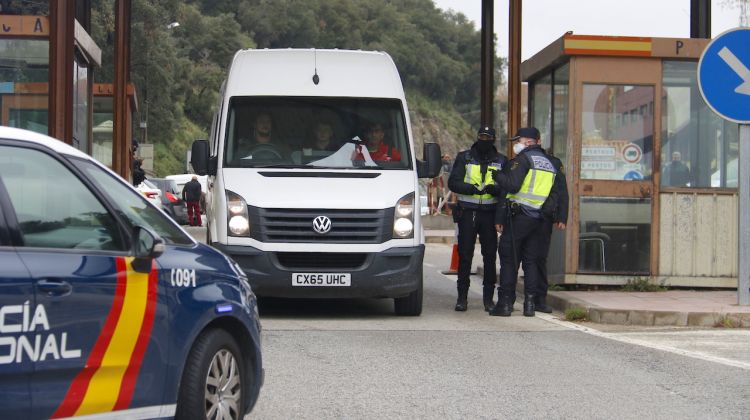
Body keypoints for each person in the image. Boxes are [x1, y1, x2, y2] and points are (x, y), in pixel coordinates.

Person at [489, 127, 564, 317]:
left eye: (519, 141)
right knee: (531, 261)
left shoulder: (523, 159)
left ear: (529, 142)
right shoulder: (549, 163)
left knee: (509, 259)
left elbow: (512, 186)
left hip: (519, 217)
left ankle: (505, 304)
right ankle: (530, 304)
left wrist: (497, 176)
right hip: (539, 219)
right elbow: (556, 193)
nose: (517, 145)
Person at [448, 126, 508, 312]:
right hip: (468, 212)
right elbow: (453, 183)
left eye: (488, 137)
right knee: (465, 256)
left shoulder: (501, 160)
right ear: (477, 137)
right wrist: (471, 188)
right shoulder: (465, 157)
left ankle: (488, 300)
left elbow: (506, 188)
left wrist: (495, 189)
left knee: (490, 257)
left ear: (493, 139)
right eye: (482, 136)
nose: (484, 139)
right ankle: (462, 298)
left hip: (489, 213)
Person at [535, 149, 569, 313]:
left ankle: (539, 299)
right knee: (516, 258)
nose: (525, 145)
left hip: (544, 218)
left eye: (529, 142)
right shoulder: (520, 160)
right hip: (520, 218)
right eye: (523, 142)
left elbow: (562, 191)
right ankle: (509, 299)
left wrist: (562, 216)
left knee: (540, 258)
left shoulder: (554, 163)